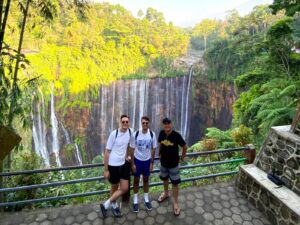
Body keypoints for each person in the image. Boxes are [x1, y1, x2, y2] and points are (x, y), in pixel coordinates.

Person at [100, 115, 134, 218]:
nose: (125, 123)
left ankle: (105, 204)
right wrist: (106, 170)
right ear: (120, 122)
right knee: (114, 186)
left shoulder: (130, 132)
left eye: (126, 121)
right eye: (123, 121)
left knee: (124, 188)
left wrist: (129, 157)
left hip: (123, 164)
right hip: (113, 165)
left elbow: (131, 147)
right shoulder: (114, 134)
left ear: (129, 122)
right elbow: (107, 152)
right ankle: (113, 205)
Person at [157, 117, 187, 217]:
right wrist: (159, 152)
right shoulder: (161, 133)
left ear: (171, 124)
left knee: (175, 183)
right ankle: (166, 193)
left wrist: (182, 157)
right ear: (163, 125)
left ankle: (175, 203)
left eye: (168, 123)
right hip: (163, 163)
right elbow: (160, 144)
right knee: (165, 179)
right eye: (165, 124)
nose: (167, 125)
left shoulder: (176, 135)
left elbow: (184, 146)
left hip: (174, 164)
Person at [130, 116, 158, 213]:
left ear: (148, 123)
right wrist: (132, 164)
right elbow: (132, 149)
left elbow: (154, 149)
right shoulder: (136, 134)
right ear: (141, 124)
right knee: (136, 180)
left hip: (147, 160)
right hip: (137, 160)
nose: (145, 124)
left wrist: (151, 162)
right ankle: (135, 200)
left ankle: (146, 199)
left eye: (146, 123)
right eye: (143, 123)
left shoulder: (152, 134)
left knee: (146, 179)